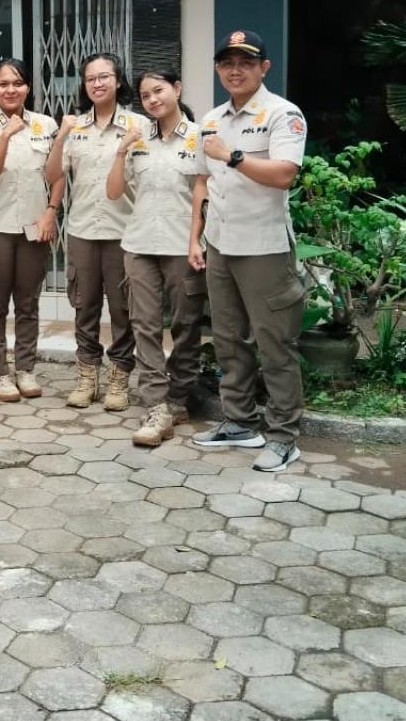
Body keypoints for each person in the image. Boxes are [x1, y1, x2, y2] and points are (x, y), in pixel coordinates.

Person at [190, 30, 308, 473]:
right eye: (227, 62)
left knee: (275, 343)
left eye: (246, 62)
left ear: (264, 67)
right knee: (228, 340)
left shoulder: (282, 114)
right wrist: (196, 237)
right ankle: (239, 422)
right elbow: (203, 180)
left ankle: (283, 436)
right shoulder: (211, 118)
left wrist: (233, 155)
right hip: (221, 244)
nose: (235, 70)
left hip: (264, 247)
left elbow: (284, 174)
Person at [106, 69, 207, 448]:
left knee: (186, 324)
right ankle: (156, 406)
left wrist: (196, 241)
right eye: (146, 95)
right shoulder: (138, 138)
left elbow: (204, 194)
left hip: (183, 246)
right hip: (140, 244)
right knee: (144, 325)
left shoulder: (200, 137)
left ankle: (178, 398)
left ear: (177, 89)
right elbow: (114, 192)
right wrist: (121, 150)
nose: (152, 100)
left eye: (159, 91)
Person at [44, 53, 139, 411]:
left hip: (124, 231)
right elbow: (52, 175)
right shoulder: (75, 127)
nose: (97, 83)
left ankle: (119, 378)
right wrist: (61, 136)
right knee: (84, 307)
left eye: (104, 77)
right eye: (90, 78)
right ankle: (87, 377)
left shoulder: (138, 126)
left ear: (118, 80)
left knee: (123, 309)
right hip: (83, 230)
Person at [0, 59, 62, 403]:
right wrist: (6, 135)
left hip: (35, 227)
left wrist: (51, 211)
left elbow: (57, 173)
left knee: (28, 302)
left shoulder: (46, 125)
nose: (11, 90)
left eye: (18, 83)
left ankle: (25, 369)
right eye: (3, 84)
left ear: (28, 87)